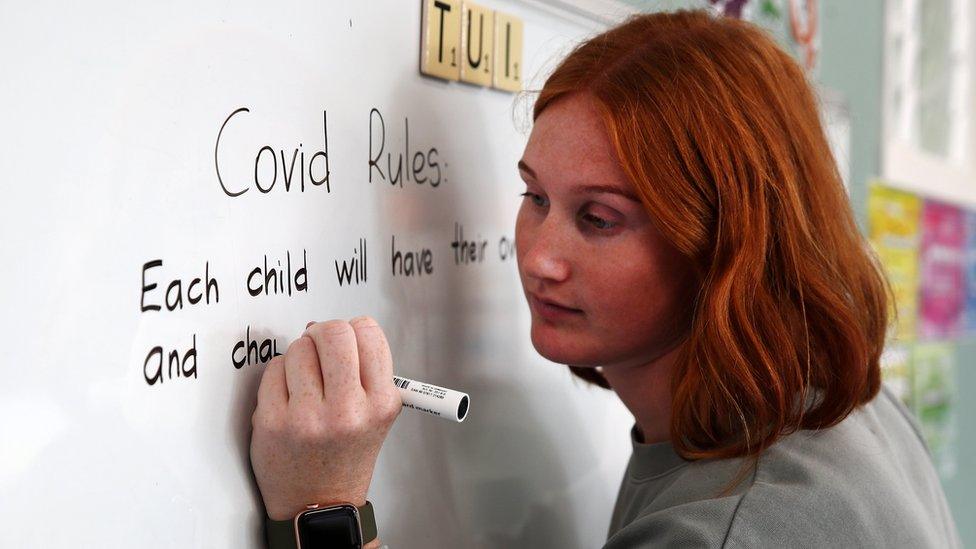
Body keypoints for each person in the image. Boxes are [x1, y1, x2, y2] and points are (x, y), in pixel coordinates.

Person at [249, 9, 961, 548]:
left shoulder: (728, 529)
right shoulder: (831, 394)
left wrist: (325, 507)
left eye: (599, 217)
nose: (537, 257)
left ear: (726, 245)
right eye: (536, 199)